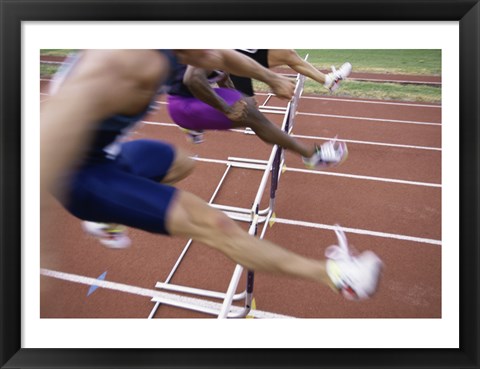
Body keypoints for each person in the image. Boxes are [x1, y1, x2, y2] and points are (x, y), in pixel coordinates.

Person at [41, 49, 382, 304]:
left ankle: (104, 220)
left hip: (107, 156)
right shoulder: (120, 64)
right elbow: (40, 151)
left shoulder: (178, 46)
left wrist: (270, 76)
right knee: (214, 225)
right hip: (77, 178)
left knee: (181, 163)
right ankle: (338, 276)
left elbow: (221, 56)